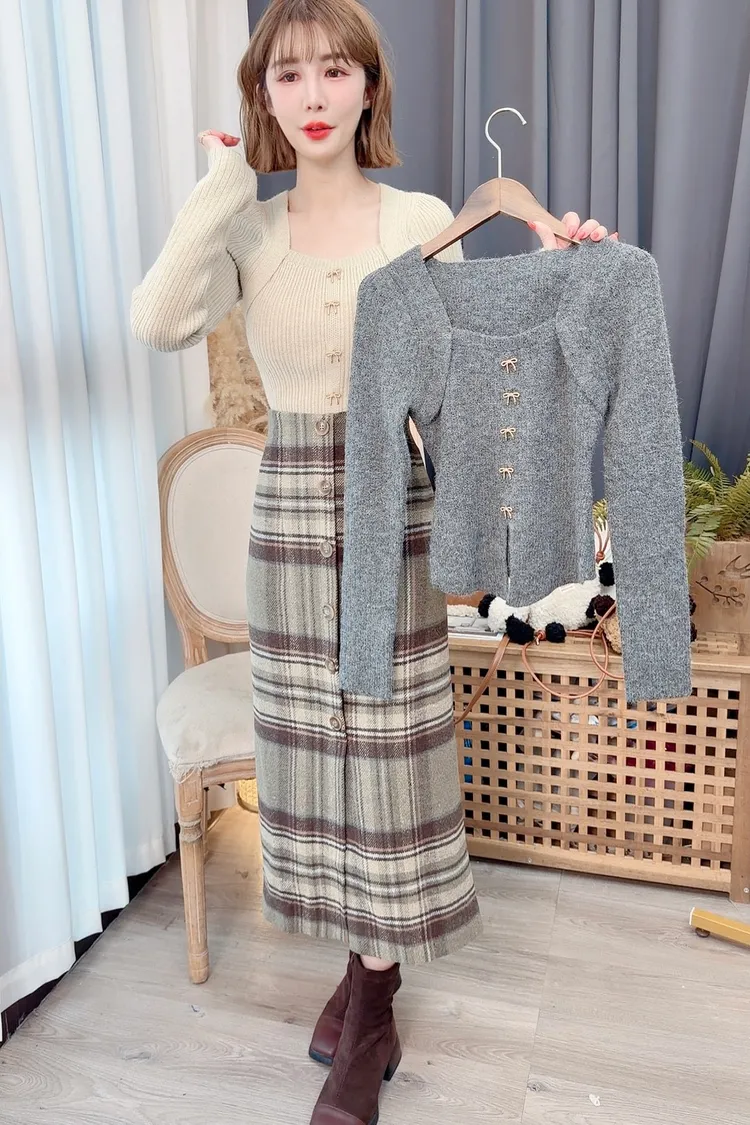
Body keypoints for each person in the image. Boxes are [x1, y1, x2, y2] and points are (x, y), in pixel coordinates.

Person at [130, 2, 614, 1121]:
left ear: (368, 88)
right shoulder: (249, 234)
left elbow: (473, 380)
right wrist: (218, 187)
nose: (312, 95)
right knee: (314, 768)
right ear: (263, 94)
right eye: (287, 74)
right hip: (288, 519)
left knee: (387, 765)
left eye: (334, 70)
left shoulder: (420, 220)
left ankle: (374, 1003)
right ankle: (358, 977)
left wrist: (556, 278)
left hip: (392, 510)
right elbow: (158, 319)